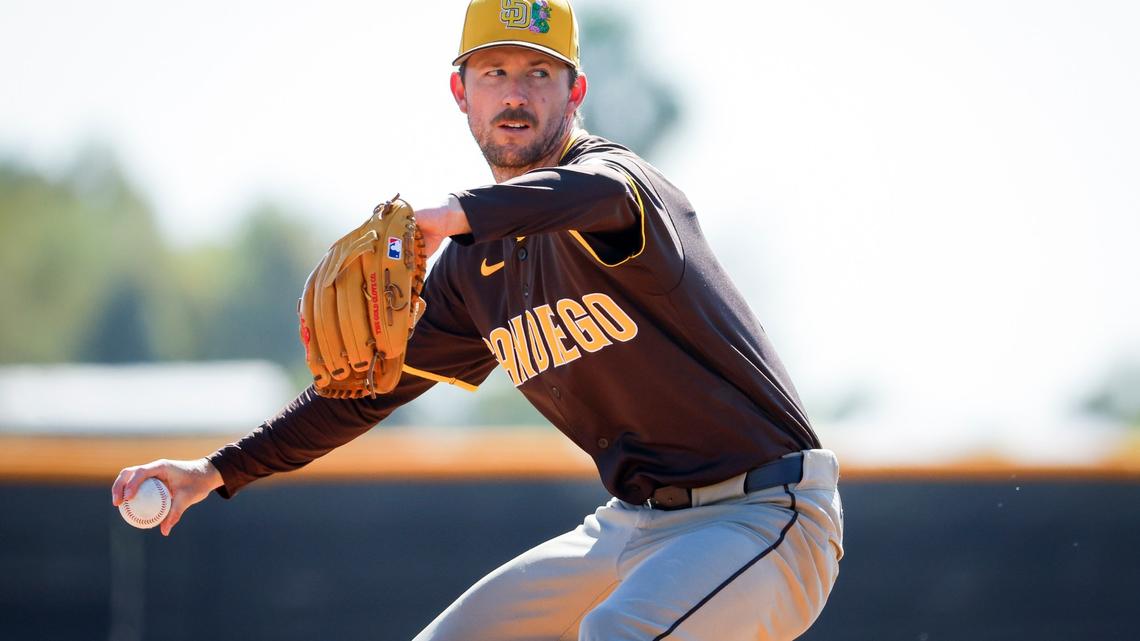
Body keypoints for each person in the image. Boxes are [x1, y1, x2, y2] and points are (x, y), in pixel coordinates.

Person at [112, 1, 844, 638]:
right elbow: (367, 388)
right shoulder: (472, 272)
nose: (515, 94)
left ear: (575, 91)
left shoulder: (619, 188)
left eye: (538, 73)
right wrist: (212, 471)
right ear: (461, 93)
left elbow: (590, 192)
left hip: (764, 513)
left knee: (620, 633)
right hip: (633, 523)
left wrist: (454, 216)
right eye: (494, 73)